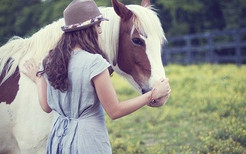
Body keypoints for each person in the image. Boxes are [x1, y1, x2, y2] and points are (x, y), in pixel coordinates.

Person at [22, 0, 171, 153]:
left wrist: (38, 79)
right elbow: (115, 111)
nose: (100, 31)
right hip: (88, 142)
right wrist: (151, 95)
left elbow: (46, 107)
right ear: (87, 29)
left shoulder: (50, 61)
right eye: (98, 25)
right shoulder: (95, 64)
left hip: (59, 140)